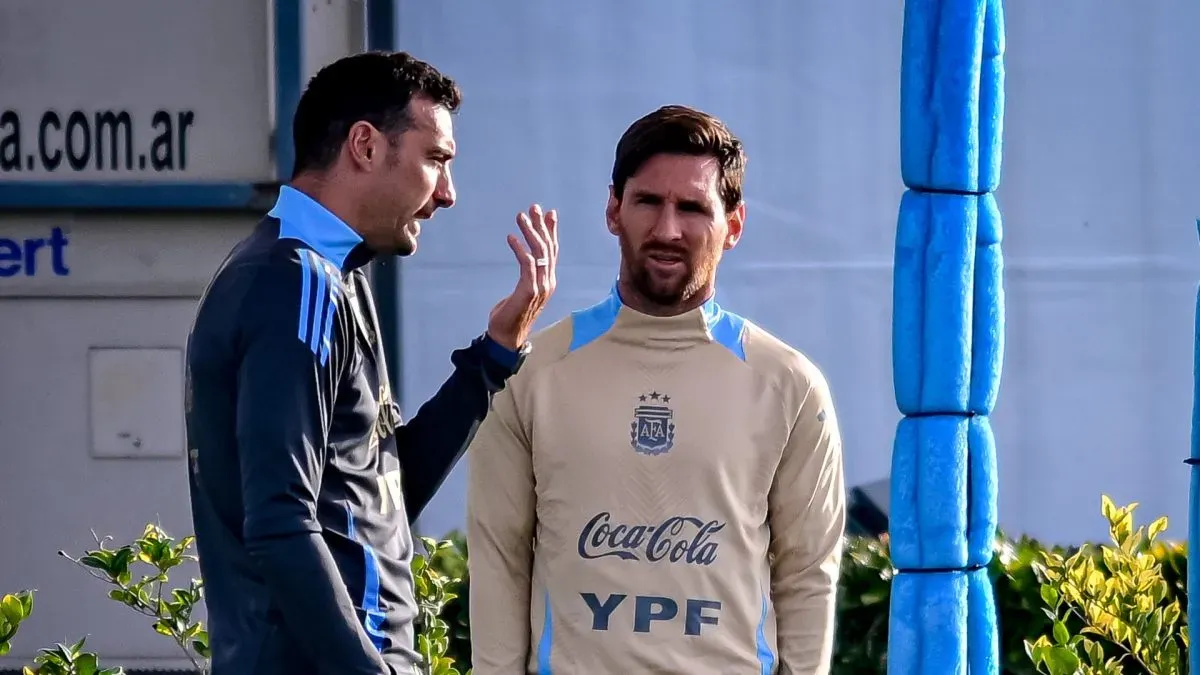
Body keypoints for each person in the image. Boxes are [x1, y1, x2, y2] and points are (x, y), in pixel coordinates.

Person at [184, 51, 558, 675]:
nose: (448, 193)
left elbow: (376, 497)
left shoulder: (329, 277)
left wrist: (494, 357)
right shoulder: (294, 281)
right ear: (364, 144)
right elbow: (282, 522)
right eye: (436, 159)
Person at [466, 105, 845, 674]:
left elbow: (808, 573)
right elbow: (498, 559)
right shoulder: (531, 371)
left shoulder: (789, 385)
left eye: (693, 207)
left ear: (733, 225)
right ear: (613, 209)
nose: (668, 230)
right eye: (648, 202)